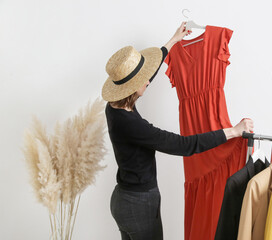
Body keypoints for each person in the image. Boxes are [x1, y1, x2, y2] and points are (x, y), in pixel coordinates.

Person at [101, 22, 254, 240]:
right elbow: (183, 145)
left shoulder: (115, 105)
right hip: (139, 204)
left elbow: (147, 77)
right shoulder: (130, 124)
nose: (148, 81)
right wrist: (232, 131)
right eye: (142, 80)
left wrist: (172, 42)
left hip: (123, 199)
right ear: (132, 87)